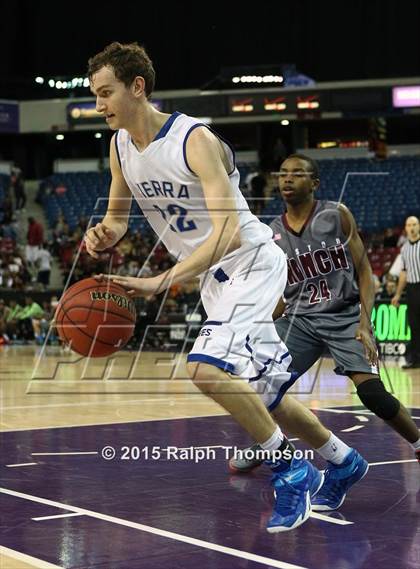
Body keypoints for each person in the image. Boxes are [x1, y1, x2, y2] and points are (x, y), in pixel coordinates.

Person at [84, 41, 328, 532]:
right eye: (95, 95)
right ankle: (342, 459)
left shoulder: (193, 139)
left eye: (106, 93)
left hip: (251, 259)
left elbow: (230, 230)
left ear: (137, 87)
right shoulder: (118, 147)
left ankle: (291, 470)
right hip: (214, 278)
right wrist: (104, 234)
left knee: (204, 369)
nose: (99, 105)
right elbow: (116, 218)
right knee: (268, 390)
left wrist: (161, 279)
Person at [229, 154, 420, 493]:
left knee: (374, 395)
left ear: (314, 183)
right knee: (260, 388)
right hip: (300, 320)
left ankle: (418, 443)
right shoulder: (272, 233)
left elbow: (364, 271)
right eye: (283, 173)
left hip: (344, 316)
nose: (287, 179)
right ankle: (268, 443)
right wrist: (254, 323)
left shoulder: (336, 215)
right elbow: (282, 294)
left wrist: (365, 322)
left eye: (297, 174)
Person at [392, 216, 420, 368]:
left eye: (414, 224)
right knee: (414, 325)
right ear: (405, 227)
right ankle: (416, 359)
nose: (412, 227)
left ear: (419, 226)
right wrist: (397, 294)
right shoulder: (404, 248)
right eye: (409, 225)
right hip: (411, 288)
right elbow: (403, 273)